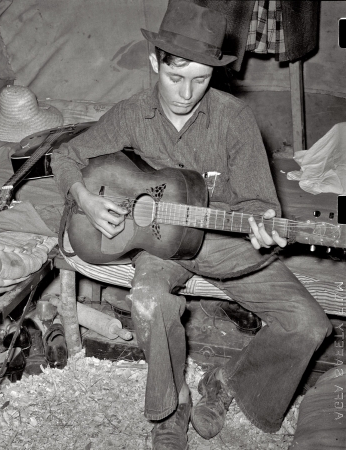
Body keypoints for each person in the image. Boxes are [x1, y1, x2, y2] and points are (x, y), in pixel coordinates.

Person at [50, 2, 333, 449]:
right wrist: (85, 199)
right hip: (159, 249)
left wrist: (263, 223)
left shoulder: (234, 118)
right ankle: (172, 404)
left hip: (224, 245)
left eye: (200, 80)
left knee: (311, 325)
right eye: (175, 78)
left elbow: (260, 201)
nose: (186, 92)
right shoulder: (131, 113)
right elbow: (64, 156)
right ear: (154, 64)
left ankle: (226, 380)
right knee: (148, 300)